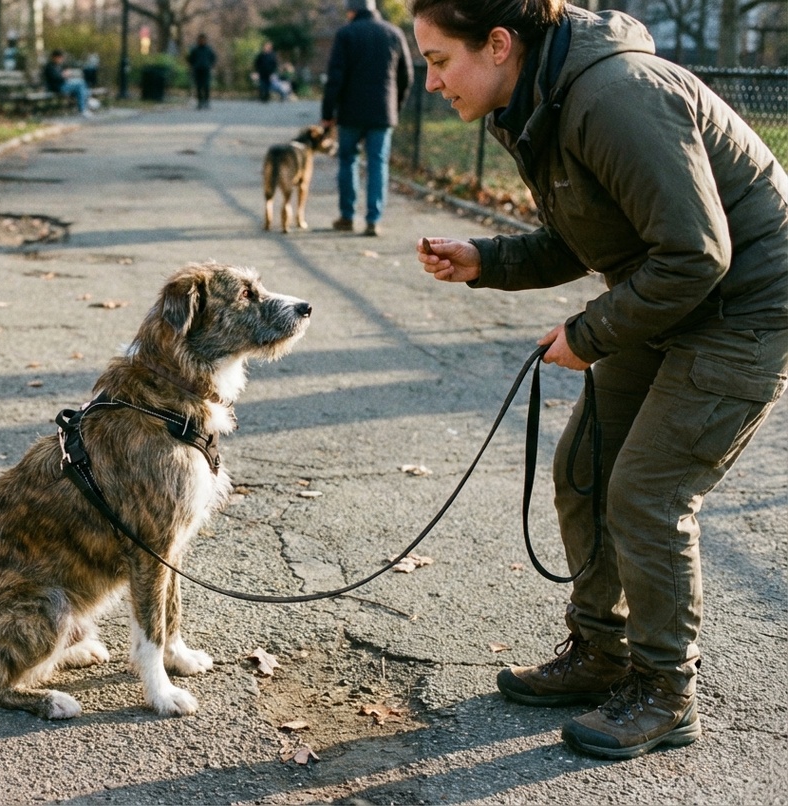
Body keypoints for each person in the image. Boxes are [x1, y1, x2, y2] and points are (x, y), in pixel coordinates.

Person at [412, 0, 788, 760]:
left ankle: (665, 692)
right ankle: (601, 652)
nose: (429, 82)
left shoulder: (616, 95)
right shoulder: (539, 101)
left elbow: (695, 253)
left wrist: (588, 336)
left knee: (647, 492)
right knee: (585, 468)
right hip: (674, 297)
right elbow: (589, 234)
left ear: (497, 43)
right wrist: (488, 259)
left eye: (438, 60)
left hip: (745, 310)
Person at [320, 0, 414, 237]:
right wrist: (396, 106)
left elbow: (335, 77)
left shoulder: (346, 34)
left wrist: (327, 114)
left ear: (352, 11)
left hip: (350, 113)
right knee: (378, 164)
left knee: (348, 161)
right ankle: (373, 219)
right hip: (383, 112)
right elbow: (407, 76)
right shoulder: (394, 33)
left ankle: (347, 216)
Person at [43, 49, 96, 117]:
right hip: (57, 87)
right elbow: (56, 78)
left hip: (62, 85)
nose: (61, 59)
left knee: (80, 86)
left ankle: (86, 102)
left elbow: (63, 75)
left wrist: (66, 74)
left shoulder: (58, 66)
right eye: (60, 58)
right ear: (55, 57)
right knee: (80, 84)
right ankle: (84, 107)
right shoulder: (50, 67)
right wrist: (64, 75)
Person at [186, 33, 217, 110]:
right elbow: (190, 58)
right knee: (199, 86)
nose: (202, 41)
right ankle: (200, 102)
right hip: (197, 69)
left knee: (206, 86)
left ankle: (206, 101)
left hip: (206, 69)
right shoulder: (195, 49)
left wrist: (210, 65)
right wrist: (193, 65)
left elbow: (213, 58)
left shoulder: (209, 49)